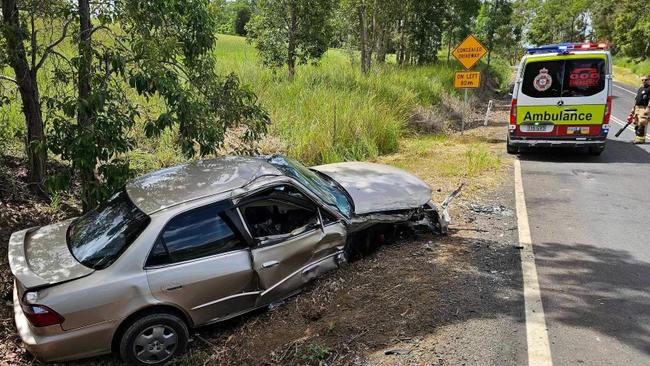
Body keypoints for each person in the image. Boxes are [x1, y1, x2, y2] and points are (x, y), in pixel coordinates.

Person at [631, 76, 650, 144]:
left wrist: (648, 109)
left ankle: (640, 139)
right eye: (642, 80)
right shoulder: (641, 88)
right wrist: (633, 108)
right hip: (637, 108)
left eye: (646, 79)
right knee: (636, 123)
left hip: (644, 108)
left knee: (642, 122)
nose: (644, 81)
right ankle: (638, 138)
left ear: (649, 80)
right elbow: (637, 99)